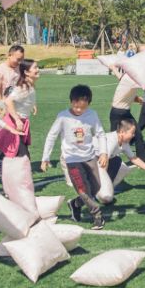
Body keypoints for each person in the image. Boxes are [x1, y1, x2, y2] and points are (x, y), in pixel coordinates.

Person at [40, 84, 107, 229]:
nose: (78, 110)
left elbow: (101, 134)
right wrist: (45, 158)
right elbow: (52, 136)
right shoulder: (63, 116)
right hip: (71, 159)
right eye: (76, 106)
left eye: (82, 108)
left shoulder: (92, 115)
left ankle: (75, 204)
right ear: (71, 101)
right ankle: (97, 215)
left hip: (89, 157)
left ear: (89, 104)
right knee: (82, 189)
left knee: (95, 188)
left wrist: (103, 153)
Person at [0, 44, 24, 112]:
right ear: (9, 55)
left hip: (16, 106)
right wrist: (1, 106)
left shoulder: (19, 68)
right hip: (4, 107)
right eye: (18, 59)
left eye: (22, 59)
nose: (20, 62)